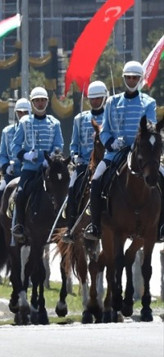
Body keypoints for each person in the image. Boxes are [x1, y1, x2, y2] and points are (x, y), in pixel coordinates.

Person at [85, 61, 162, 242]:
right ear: (124, 79)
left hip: (141, 153)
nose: (132, 80)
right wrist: (111, 143)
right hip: (115, 153)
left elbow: (150, 128)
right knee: (96, 179)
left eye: (135, 78)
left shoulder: (148, 102)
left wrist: (137, 143)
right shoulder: (112, 101)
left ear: (140, 79)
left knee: (162, 177)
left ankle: (161, 225)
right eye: (128, 77)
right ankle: (95, 225)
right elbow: (104, 131)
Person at [10, 87, 64, 243]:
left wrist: (51, 158)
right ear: (32, 103)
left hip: (48, 168)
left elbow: (59, 145)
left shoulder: (55, 123)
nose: (40, 103)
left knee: (61, 192)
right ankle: (19, 225)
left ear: (47, 102)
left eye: (43, 100)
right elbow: (15, 146)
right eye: (37, 101)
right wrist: (25, 155)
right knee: (20, 194)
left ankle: (62, 224)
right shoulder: (24, 122)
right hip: (30, 169)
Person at [61, 81, 107, 243]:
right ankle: (70, 227)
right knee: (72, 187)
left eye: (98, 98)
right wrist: (75, 156)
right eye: (92, 98)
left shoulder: (110, 116)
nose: (95, 101)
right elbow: (74, 144)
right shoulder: (80, 118)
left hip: (106, 161)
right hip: (85, 163)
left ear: (104, 98)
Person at [0, 98, 31, 211]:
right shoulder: (7, 131)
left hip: (30, 174)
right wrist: (6, 167)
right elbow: (2, 155)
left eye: (25, 112)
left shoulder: (35, 131)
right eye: (19, 112)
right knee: (1, 190)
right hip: (12, 174)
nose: (22, 115)